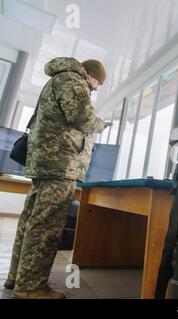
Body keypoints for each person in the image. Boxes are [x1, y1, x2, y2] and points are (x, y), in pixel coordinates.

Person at [4, 57, 107, 299]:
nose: (96, 88)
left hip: (47, 163)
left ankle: (18, 277)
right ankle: (30, 287)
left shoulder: (60, 79)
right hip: (59, 164)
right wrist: (99, 124)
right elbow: (82, 116)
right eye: (98, 83)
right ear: (90, 75)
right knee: (47, 225)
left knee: (32, 220)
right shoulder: (73, 81)